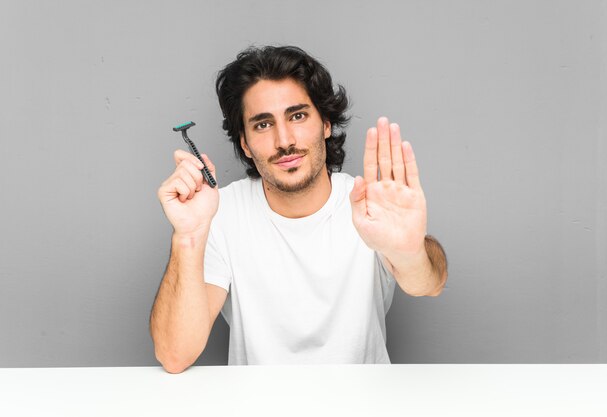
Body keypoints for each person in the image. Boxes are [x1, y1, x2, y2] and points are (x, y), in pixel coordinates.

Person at [151, 45, 448, 372]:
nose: (284, 140)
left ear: (326, 124)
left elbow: (429, 284)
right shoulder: (220, 214)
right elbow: (175, 355)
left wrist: (409, 253)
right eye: (263, 124)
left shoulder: (368, 205)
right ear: (245, 144)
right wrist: (188, 236)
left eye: (298, 115)